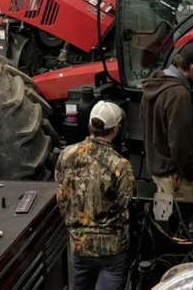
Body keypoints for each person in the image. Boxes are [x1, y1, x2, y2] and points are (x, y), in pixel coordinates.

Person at [55, 101, 135, 290]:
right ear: (115, 129)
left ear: (90, 124)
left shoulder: (66, 155)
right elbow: (127, 208)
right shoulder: (120, 165)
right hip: (113, 249)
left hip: (79, 243)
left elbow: (62, 198)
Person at [141, 43, 193, 201]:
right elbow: (179, 144)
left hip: (158, 171)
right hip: (176, 178)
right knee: (184, 222)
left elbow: (146, 123)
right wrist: (192, 173)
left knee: (166, 223)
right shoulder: (180, 95)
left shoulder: (153, 83)